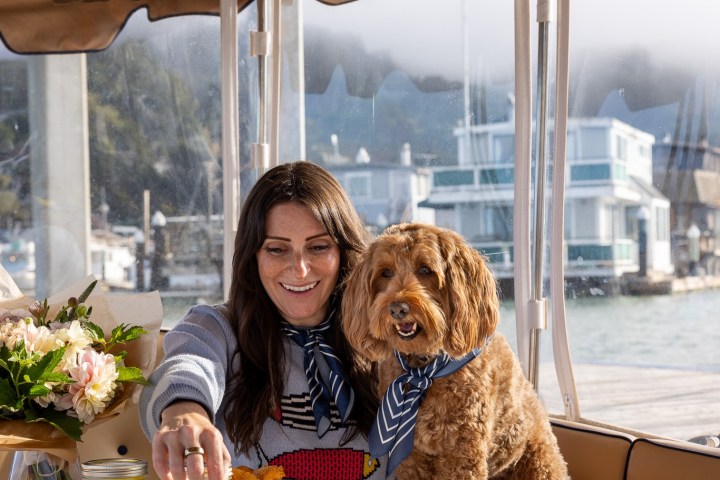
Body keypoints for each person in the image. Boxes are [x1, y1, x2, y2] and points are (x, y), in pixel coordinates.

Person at [139, 161, 385, 480]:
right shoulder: (218, 328)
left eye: (319, 247)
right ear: (253, 256)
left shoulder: (388, 336)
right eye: (277, 249)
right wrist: (185, 411)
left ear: (343, 252)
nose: (299, 269)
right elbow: (188, 364)